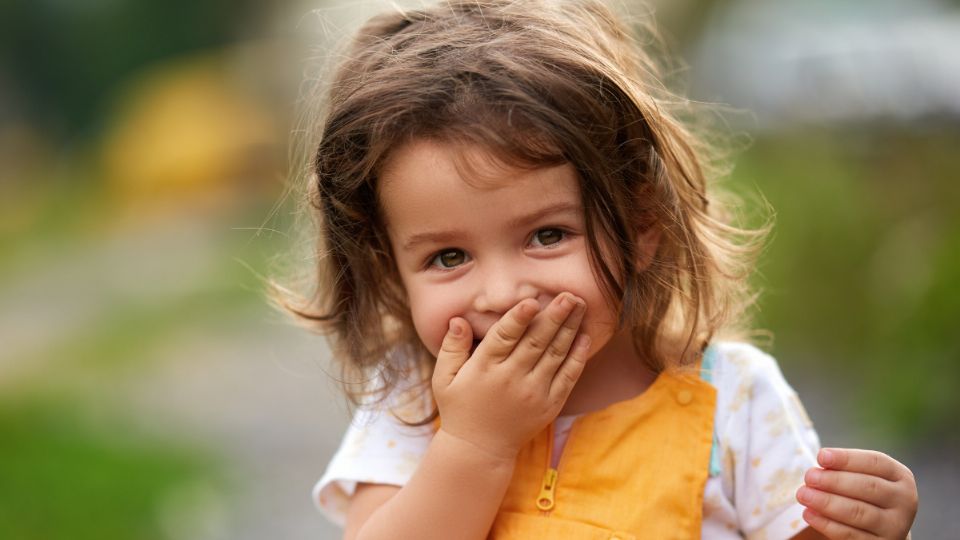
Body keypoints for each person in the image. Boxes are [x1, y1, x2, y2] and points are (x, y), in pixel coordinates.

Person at [279, 1, 919, 538]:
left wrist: (854, 529)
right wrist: (475, 445)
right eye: (448, 257)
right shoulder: (414, 398)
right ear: (388, 267)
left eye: (547, 235)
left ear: (642, 225)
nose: (502, 294)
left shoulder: (734, 398)